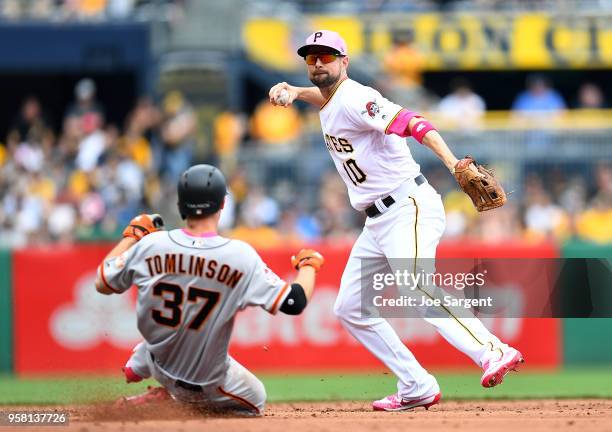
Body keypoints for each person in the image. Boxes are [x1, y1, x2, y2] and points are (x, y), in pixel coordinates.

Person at [269, 30, 523, 412]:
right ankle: (416, 384)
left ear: (345, 62)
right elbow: (324, 96)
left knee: (416, 288)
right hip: (377, 221)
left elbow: (414, 123)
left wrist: (453, 163)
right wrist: (293, 90)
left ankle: (493, 350)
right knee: (349, 309)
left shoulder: (358, 98)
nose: (318, 62)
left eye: (326, 56)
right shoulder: (334, 98)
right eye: (311, 57)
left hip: (409, 206)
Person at [94, 164, 324, 415]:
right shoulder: (239, 255)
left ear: (180, 205)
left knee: (173, 324)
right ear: (223, 204)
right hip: (203, 382)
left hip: (158, 362)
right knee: (256, 400)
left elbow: (103, 282)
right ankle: (175, 401)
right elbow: (294, 302)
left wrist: (133, 236)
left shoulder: (152, 243)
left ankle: (139, 364)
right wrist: (308, 265)